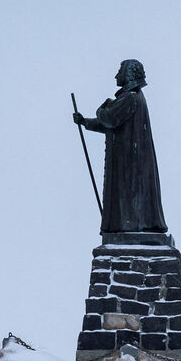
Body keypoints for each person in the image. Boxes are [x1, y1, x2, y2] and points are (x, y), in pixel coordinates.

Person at [72, 59, 168, 233]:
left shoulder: (130, 97)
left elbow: (109, 118)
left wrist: (103, 108)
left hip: (129, 160)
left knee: (128, 195)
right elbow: (112, 124)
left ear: (129, 74)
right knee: (129, 195)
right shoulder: (133, 97)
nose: (116, 75)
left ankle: (130, 226)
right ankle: (130, 224)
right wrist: (85, 122)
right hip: (131, 157)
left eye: (120, 71)